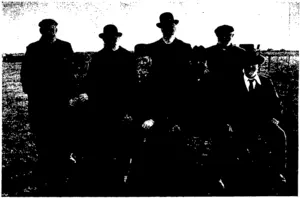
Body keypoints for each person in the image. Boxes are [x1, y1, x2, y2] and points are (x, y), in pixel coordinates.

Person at [132, 12, 195, 195]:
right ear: (161, 28)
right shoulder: (152, 48)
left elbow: (188, 83)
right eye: (165, 26)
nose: (169, 29)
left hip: (178, 102)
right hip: (158, 102)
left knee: (178, 147)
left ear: (175, 26)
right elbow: (148, 82)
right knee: (156, 148)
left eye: (171, 26)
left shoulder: (185, 48)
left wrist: (181, 115)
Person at [80, 24, 137, 196]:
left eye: (114, 37)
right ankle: (105, 180)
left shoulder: (127, 57)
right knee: (105, 146)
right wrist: (84, 93)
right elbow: (90, 81)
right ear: (103, 39)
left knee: (124, 146)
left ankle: (123, 178)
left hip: (123, 110)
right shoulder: (98, 57)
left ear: (118, 38)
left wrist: (130, 112)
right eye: (108, 37)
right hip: (103, 110)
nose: (111, 40)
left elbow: (133, 86)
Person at [20, 19, 74, 196]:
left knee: (62, 133)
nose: (51, 31)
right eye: (47, 29)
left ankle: (63, 165)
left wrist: (71, 94)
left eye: (53, 28)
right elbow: (26, 75)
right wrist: (34, 93)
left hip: (60, 100)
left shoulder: (65, 47)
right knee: (42, 133)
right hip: (40, 101)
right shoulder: (33, 48)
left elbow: (70, 73)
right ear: (41, 30)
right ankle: (45, 166)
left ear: (56, 29)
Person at [226, 45, 287, 195]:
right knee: (244, 146)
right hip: (242, 124)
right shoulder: (234, 83)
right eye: (247, 64)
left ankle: (277, 173)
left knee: (280, 136)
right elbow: (227, 106)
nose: (250, 67)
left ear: (258, 66)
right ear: (242, 66)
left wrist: (275, 117)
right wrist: (231, 123)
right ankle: (235, 178)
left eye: (253, 64)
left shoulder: (265, 82)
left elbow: (276, 103)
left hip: (263, 122)